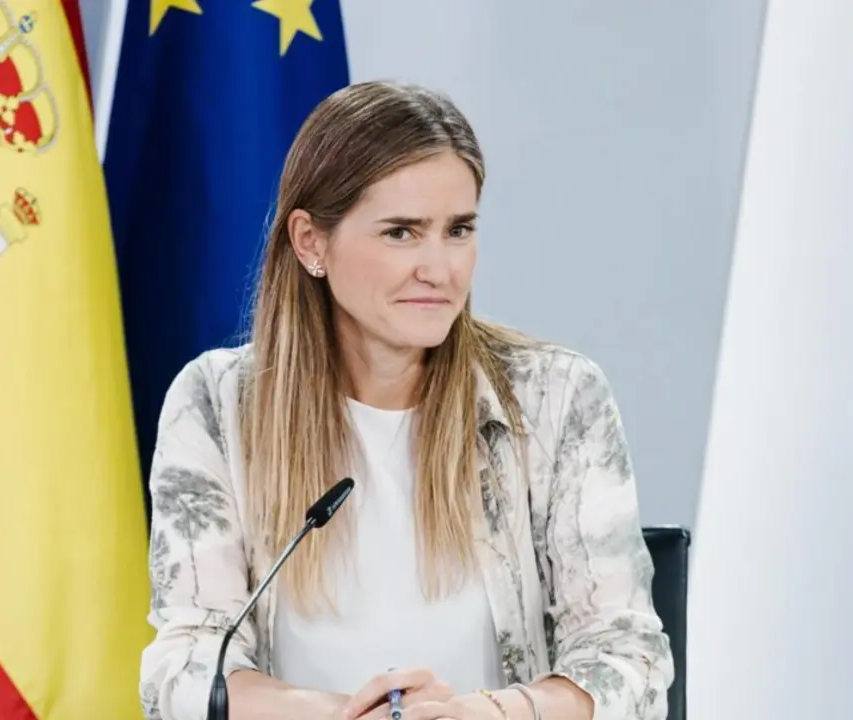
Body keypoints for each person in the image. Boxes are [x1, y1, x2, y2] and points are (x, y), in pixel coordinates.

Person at [138, 80, 673, 720]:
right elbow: (186, 668)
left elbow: (628, 660)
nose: (439, 269)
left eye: (458, 230)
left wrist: (486, 715)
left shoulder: (555, 397)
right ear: (310, 242)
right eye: (400, 233)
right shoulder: (216, 405)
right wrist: (347, 715)